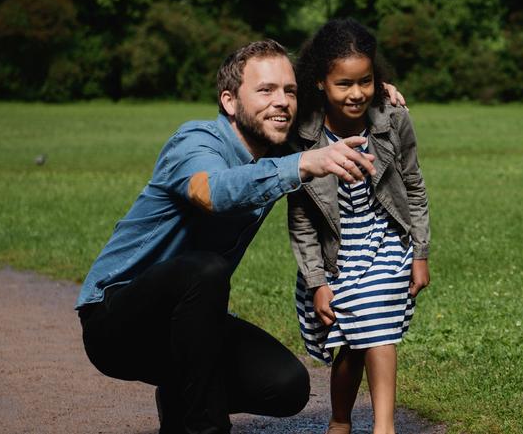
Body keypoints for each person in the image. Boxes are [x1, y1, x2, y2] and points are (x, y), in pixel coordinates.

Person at [75, 39, 405, 434]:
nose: (281, 101)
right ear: (230, 101)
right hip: (117, 321)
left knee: (286, 386)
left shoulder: (275, 146)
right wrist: (301, 164)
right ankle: (204, 426)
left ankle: (180, 398)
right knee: (205, 270)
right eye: (265, 90)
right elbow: (211, 192)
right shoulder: (195, 141)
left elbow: (335, 93)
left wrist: (373, 92)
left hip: (190, 325)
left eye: (289, 90)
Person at [287, 18, 430, 434]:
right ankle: (339, 421)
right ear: (320, 83)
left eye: (366, 82)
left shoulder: (392, 120)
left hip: (386, 238)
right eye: (344, 84)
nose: (357, 93)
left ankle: (383, 427)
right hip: (337, 250)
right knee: (348, 346)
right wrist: (317, 281)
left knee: (378, 323)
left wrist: (420, 253)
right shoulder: (305, 133)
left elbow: (415, 188)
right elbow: (301, 220)